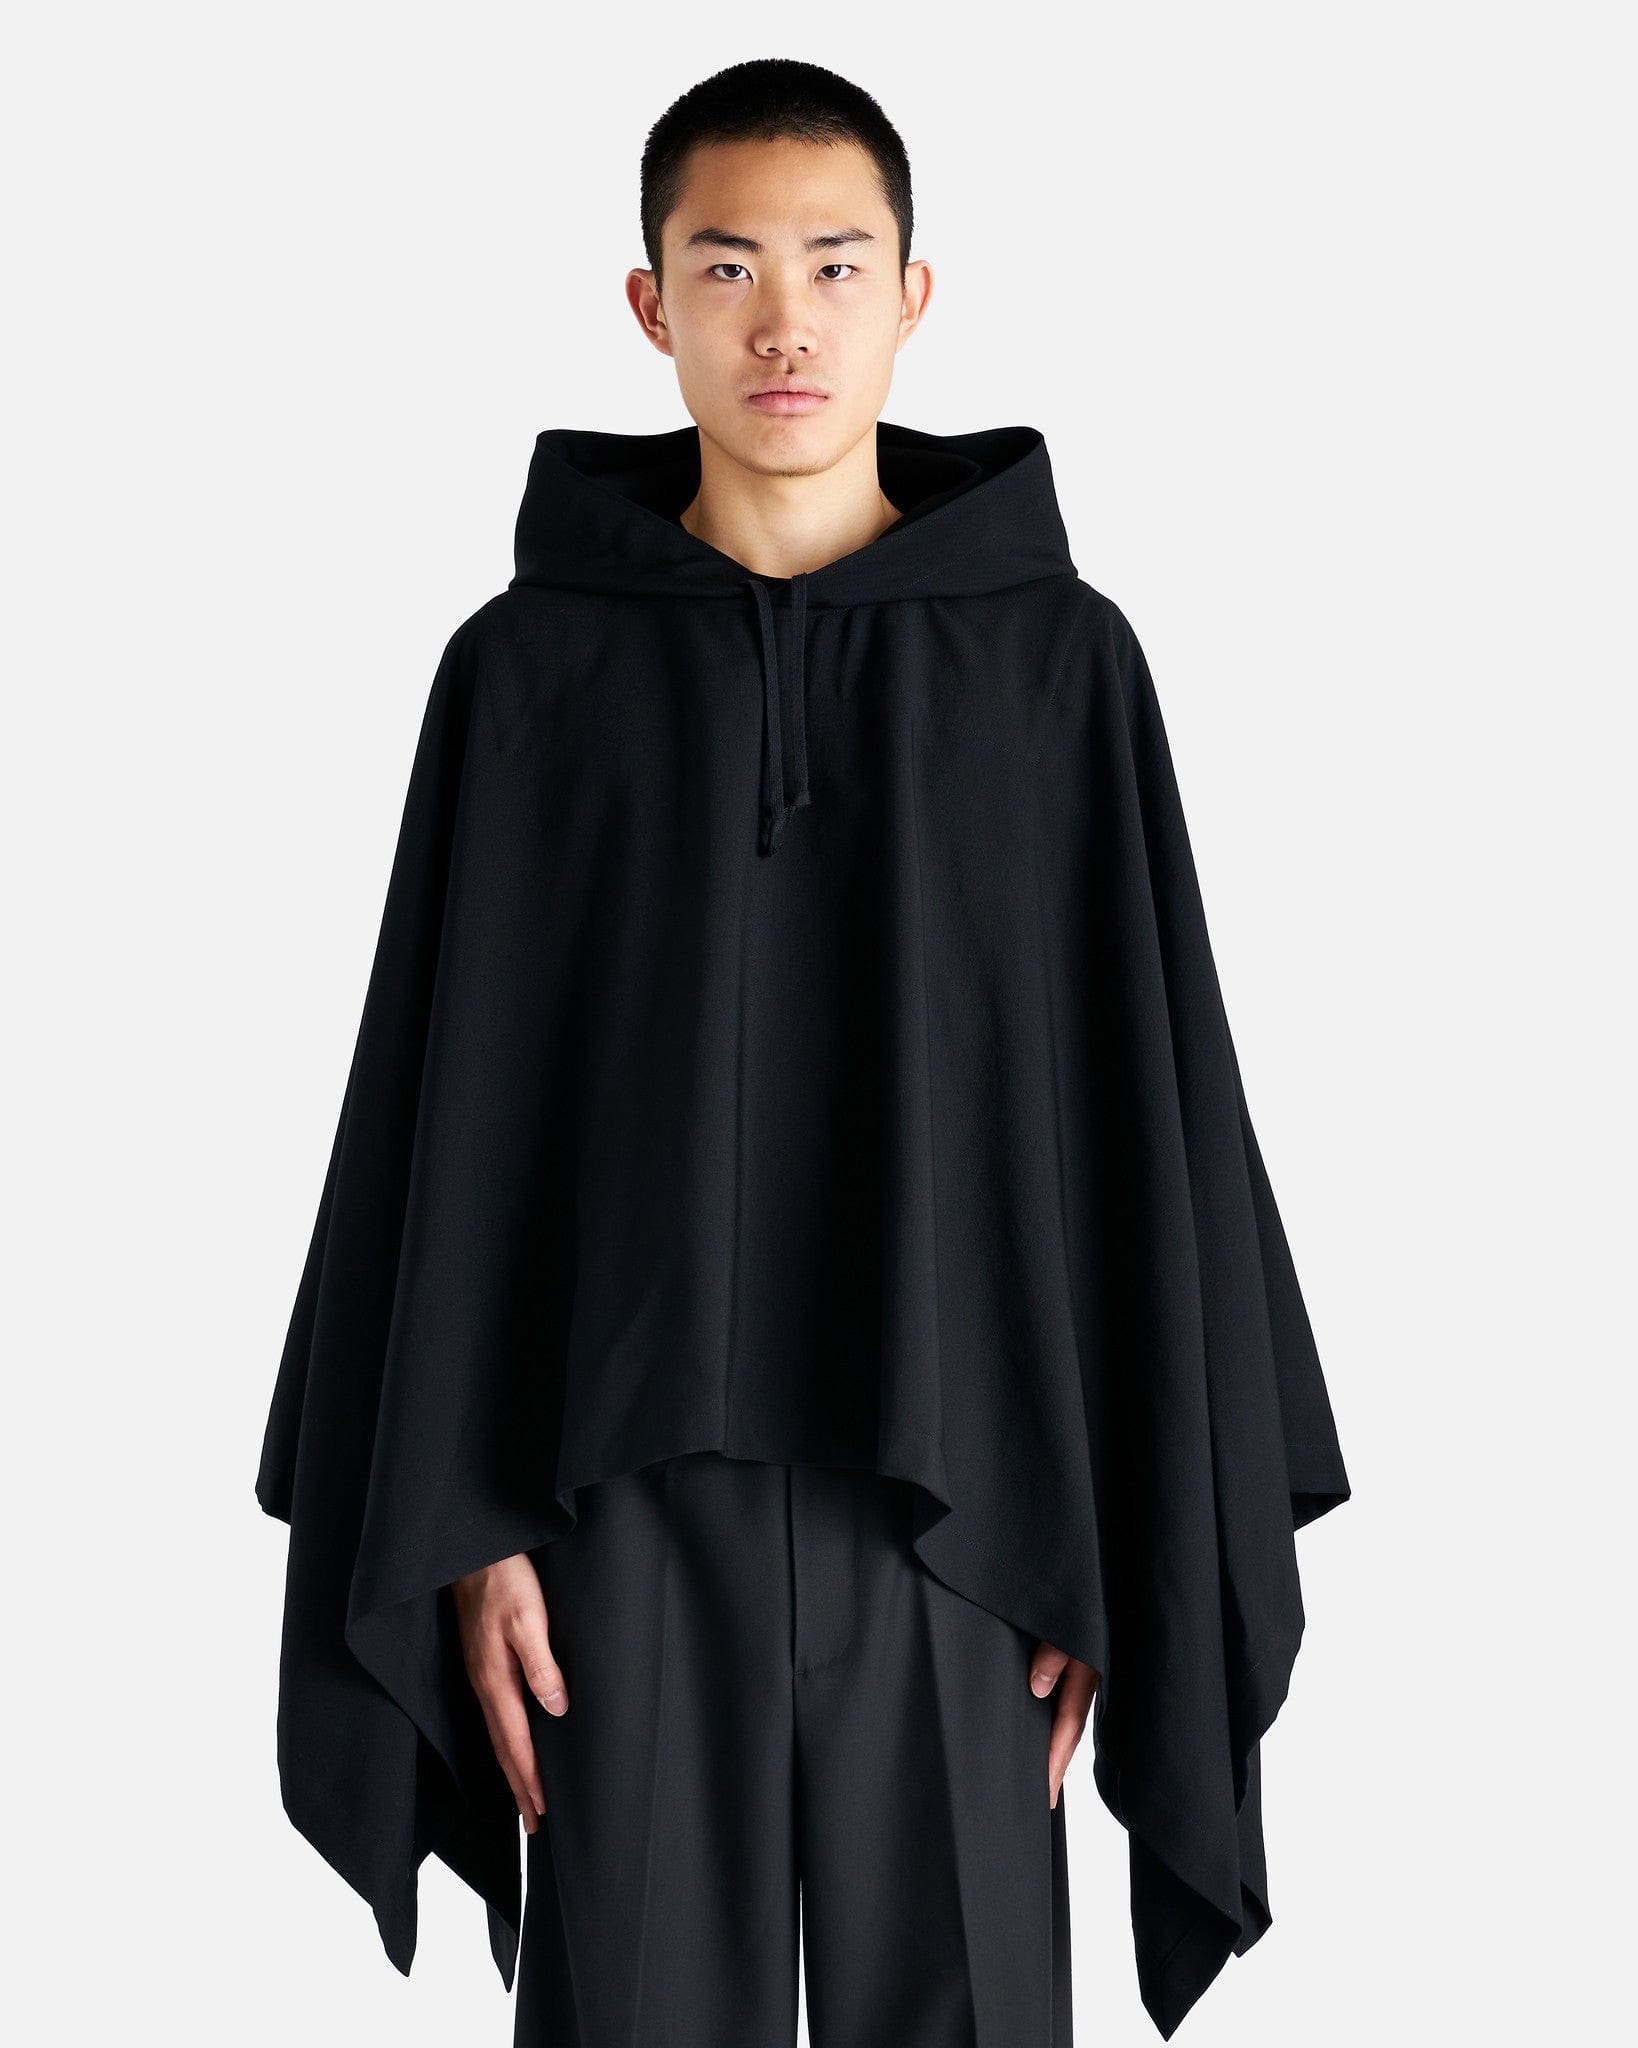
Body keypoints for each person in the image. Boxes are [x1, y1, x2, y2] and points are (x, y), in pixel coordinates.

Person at [256, 57, 1351, 2047]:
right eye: (728, 266)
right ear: (649, 303)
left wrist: (1113, 1533)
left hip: (969, 1513)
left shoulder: (1056, 671)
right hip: (607, 1517)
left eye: (837, 265)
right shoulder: (525, 676)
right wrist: (467, 1525)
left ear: (913, 296)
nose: (785, 322)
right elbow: (449, 1125)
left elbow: (1145, 1109)